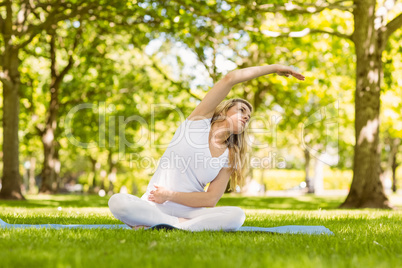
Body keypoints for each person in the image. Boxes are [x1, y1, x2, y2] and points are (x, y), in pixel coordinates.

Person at [108, 64, 305, 231]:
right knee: (117, 202)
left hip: (190, 211)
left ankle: (167, 224)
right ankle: (179, 225)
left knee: (236, 216)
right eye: (242, 110)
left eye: (249, 117)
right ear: (225, 110)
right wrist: (274, 68)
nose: (246, 117)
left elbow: (210, 200)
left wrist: (170, 195)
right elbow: (230, 78)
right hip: (154, 204)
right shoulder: (196, 122)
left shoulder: (231, 155)